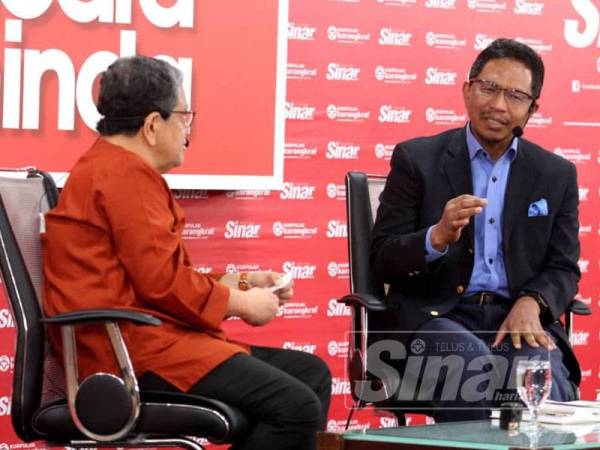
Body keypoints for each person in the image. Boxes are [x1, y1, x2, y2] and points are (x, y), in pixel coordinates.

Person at [42, 56, 331, 449]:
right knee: (294, 406)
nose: (187, 133)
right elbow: (162, 285)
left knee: (310, 374)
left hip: (151, 337)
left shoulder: (109, 168)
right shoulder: (124, 176)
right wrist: (243, 304)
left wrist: (241, 283)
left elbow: (157, 275)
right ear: (151, 125)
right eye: (184, 117)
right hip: (130, 355)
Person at [371, 38, 581, 422]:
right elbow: (382, 259)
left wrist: (532, 302)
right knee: (470, 369)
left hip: (516, 318)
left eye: (515, 96)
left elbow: (564, 267)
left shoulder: (556, 175)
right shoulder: (417, 159)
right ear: (468, 90)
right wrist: (434, 238)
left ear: (532, 109)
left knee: (541, 379)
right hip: (438, 318)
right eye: (489, 88)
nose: (499, 105)